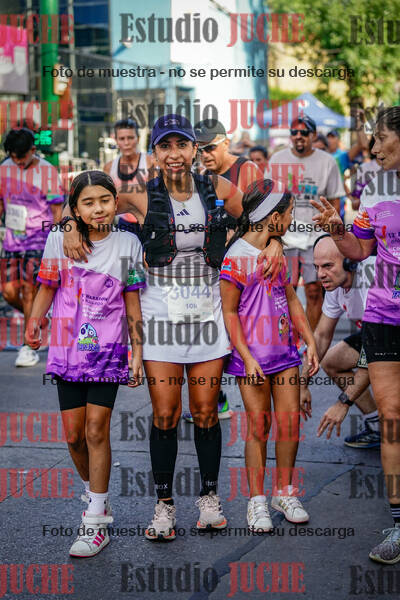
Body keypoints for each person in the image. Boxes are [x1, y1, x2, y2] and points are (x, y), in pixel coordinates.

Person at [62, 113, 285, 541]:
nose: (174, 154)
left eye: (181, 144)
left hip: (207, 312)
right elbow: (82, 201)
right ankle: (163, 506)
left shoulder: (218, 188)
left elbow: (260, 216)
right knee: (165, 413)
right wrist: (70, 225)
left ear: (194, 149)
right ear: (155, 154)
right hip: (160, 313)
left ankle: (209, 499)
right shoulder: (139, 193)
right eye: (165, 146)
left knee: (205, 412)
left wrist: (273, 240)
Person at [26, 171, 145, 557]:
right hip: (67, 351)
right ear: (74, 209)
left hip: (109, 351)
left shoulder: (128, 243)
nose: (98, 209)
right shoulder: (58, 239)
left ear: (116, 202)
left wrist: (137, 352)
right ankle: (97, 495)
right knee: (74, 436)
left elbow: (132, 301)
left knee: (96, 430)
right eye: (88, 203)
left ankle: (95, 521)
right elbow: (47, 286)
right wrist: (34, 321)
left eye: (105, 200)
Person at [310, 105, 400, 564]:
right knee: (392, 418)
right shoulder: (374, 188)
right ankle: (399, 525)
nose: (372, 146)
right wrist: (337, 230)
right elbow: (360, 249)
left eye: (380, 137)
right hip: (385, 316)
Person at [220, 179, 319, 531]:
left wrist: (309, 339)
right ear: (274, 218)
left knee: (289, 423)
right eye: (289, 213)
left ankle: (285, 492)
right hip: (253, 358)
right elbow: (229, 312)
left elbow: (290, 298)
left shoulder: (277, 252)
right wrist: (247, 357)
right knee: (258, 426)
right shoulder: (236, 256)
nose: (292, 219)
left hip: (285, 354)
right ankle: (257, 501)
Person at [187, 119, 264, 421]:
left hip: (245, 266)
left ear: (226, 143)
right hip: (215, 265)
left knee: (242, 329)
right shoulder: (202, 177)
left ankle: (259, 394)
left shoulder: (246, 170)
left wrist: (273, 245)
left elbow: (264, 215)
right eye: (200, 150)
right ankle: (215, 398)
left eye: (210, 148)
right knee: (210, 329)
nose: (204, 155)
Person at [300, 234, 379, 447]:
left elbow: (374, 356)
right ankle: (377, 426)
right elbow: (321, 336)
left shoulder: (371, 279)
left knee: (384, 380)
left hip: (390, 337)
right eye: (317, 267)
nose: (320, 274)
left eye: (327, 266)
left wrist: (343, 403)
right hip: (377, 336)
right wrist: (302, 384)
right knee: (332, 361)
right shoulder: (336, 283)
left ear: (350, 261)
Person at [268, 115, 345, 330]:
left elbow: (335, 201)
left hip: (315, 237)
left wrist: (331, 236)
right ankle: (285, 338)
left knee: (313, 290)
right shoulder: (277, 160)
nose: (299, 136)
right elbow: (268, 199)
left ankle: (312, 341)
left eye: (304, 132)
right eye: (294, 132)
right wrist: (271, 236)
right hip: (285, 236)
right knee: (285, 289)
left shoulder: (327, 162)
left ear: (313, 135)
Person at [0, 128, 64, 366]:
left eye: (22, 157)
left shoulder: (47, 171)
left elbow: (57, 211)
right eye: (13, 157)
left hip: (39, 238)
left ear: (33, 150)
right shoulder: (4, 168)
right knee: (8, 292)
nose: (17, 162)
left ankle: (28, 346)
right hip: (12, 240)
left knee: (28, 291)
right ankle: (39, 315)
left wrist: (58, 241)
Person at [104, 118, 153, 236]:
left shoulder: (150, 162)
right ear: (116, 140)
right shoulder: (109, 167)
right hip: (123, 224)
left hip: (149, 222)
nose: (126, 143)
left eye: (130, 138)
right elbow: (105, 199)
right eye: (122, 139)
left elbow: (156, 196)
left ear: (138, 139)